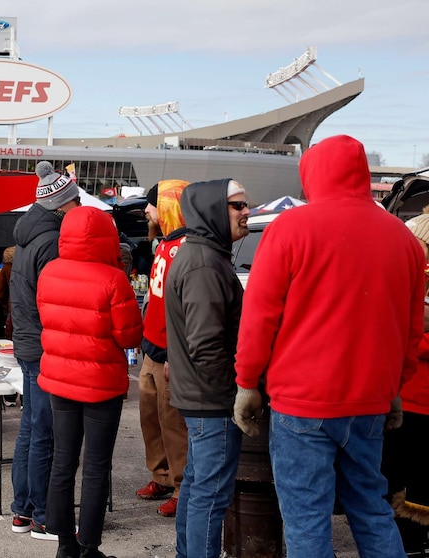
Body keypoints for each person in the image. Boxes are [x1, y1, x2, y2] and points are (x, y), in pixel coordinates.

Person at [233, 135, 422, 558]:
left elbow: (259, 318)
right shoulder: (404, 239)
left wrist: (247, 382)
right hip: (370, 401)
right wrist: (394, 388)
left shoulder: (289, 230)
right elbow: (411, 330)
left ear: (312, 174)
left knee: (306, 519)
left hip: (304, 402)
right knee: (371, 509)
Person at [38, 206, 143, 558]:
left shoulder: (50, 272)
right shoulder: (113, 279)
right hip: (101, 383)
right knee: (97, 466)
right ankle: (89, 547)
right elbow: (129, 337)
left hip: (59, 379)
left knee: (63, 461)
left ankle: (64, 545)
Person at [165, 178, 249, 558]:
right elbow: (206, 344)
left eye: (245, 204)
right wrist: (232, 394)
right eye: (237, 205)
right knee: (210, 496)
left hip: (203, 398)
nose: (246, 212)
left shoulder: (205, 255)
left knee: (201, 489)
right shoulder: (203, 263)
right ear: (214, 209)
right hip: (212, 402)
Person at [9, 161, 81, 541]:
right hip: (42, 344)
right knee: (45, 433)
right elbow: (56, 299)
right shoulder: (52, 240)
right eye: (74, 203)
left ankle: (23, 510)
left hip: (27, 341)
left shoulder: (28, 235)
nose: (78, 209)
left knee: (31, 430)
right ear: (59, 206)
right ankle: (43, 516)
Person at [136, 179, 191, 518]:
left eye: (152, 204)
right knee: (151, 420)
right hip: (151, 349)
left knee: (175, 427)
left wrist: (175, 353)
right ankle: (162, 476)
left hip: (170, 356)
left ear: (169, 206)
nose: (146, 211)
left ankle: (183, 486)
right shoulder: (164, 243)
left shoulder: (186, 248)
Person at [382, 208, 429, 557]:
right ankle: (408, 543)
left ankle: (410, 544)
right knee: (401, 477)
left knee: (414, 479)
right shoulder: (410, 276)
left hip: (416, 398)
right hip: (407, 396)